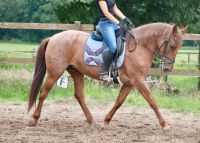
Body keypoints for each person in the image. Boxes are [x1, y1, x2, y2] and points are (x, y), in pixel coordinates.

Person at [96, 0, 133, 80]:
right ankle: (104, 71)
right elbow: (106, 13)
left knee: (126, 36)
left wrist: (126, 19)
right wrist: (119, 23)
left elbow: (115, 9)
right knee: (113, 47)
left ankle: (118, 66)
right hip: (105, 24)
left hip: (112, 23)